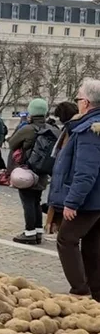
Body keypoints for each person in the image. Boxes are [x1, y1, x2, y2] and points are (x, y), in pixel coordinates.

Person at [48, 79, 100, 298]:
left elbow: (86, 172)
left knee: (66, 239)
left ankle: (79, 288)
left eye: (78, 98)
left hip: (89, 200)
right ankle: (96, 293)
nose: (77, 102)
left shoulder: (89, 130)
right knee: (93, 244)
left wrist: (72, 202)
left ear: (86, 103)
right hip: (96, 199)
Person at [8, 98, 57, 245]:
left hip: (28, 170)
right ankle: (37, 231)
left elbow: (12, 143)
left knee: (28, 201)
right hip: (44, 171)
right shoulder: (53, 129)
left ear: (31, 112)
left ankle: (29, 232)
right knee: (36, 200)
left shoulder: (28, 129)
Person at [43, 101, 80, 240]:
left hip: (64, 174)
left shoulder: (71, 130)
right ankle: (53, 227)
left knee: (60, 202)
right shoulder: (68, 129)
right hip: (61, 173)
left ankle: (55, 228)